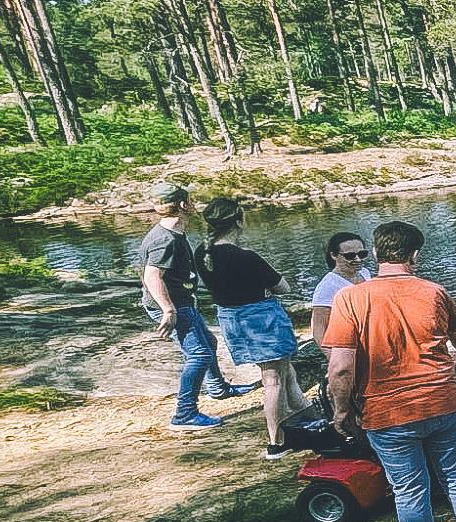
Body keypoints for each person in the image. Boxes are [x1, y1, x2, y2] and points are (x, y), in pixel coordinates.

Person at [324, 220, 456, 522]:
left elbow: (340, 368)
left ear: (375, 253)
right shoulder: (434, 292)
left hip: (386, 413)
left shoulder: (350, 299)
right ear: (416, 255)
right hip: (441, 402)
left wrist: (341, 410)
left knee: (409, 488)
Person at [192, 198, 311, 459]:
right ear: (238, 221)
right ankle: (276, 442)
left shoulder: (202, 252)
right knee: (273, 380)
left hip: (231, 319)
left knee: (284, 370)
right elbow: (284, 287)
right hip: (260, 320)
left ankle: (304, 415)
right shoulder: (245, 257)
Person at [138, 182, 255, 431]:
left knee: (209, 344)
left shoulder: (172, 232)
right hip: (172, 305)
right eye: (190, 201)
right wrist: (168, 310)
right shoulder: (164, 240)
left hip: (182, 302)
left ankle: (218, 389)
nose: (193, 205)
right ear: (182, 205)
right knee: (198, 354)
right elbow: (152, 276)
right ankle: (184, 414)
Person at [310, 232, 373, 352]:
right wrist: (330, 355)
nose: (358, 259)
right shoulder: (327, 286)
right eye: (350, 256)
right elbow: (318, 327)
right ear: (333, 255)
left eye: (362, 254)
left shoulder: (365, 272)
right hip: (348, 343)